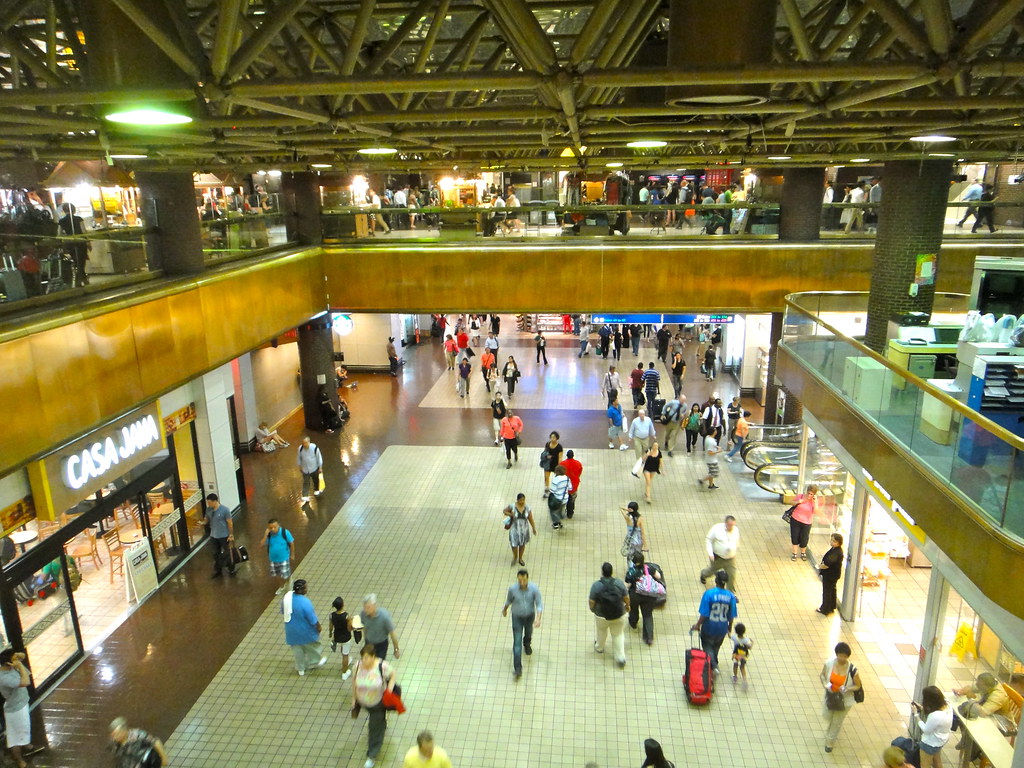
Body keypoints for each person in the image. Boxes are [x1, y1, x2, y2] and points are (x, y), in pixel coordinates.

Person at [351, 644, 398, 768]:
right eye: (362, 658)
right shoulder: (357, 666)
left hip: (378, 703)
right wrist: (354, 699)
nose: (364, 660)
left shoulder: (382, 666)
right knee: (378, 722)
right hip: (363, 702)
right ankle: (382, 722)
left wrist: (388, 691)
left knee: (373, 729)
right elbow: (354, 682)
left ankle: (372, 755)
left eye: (366, 658)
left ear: (373, 657)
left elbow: (393, 674)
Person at [0, 650, 42, 768]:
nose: (18, 660)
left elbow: (22, 656)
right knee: (15, 738)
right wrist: (19, 666)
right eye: (15, 659)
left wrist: (18, 657)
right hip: (15, 710)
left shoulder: (11, 667)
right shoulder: (3, 677)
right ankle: (20, 761)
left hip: (22, 704)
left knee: (24, 729)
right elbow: (25, 681)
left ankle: (27, 746)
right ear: (9, 663)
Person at [819, 641, 862, 752]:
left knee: (837, 721)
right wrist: (826, 685)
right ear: (836, 654)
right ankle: (831, 730)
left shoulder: (852, 670)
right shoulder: (829, 664)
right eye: (840, 655)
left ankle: (830, 742)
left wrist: (847, 688)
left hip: (845, 700)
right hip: (831, 696)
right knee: (827, 716)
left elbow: (857, 685)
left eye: (845, 656)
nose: (842, 658)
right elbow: (822, 675)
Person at [690, 569, 737, 672]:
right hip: (722, 628)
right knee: (716, 646)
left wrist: (698, 625)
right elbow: (731, 615)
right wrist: (729, 628)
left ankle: (713, 665)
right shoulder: (731, 596)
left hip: (709, 627)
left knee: (707, 646)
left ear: (716, 580)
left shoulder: (709, 594)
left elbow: (704, 614)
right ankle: (713, 663)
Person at [502, 568, 543, 679]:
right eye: (520, 580)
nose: (522, 582)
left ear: (527, 579)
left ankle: (527, 643)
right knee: (517, 642)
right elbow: (509, 600)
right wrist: (505, 609)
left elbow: (539, 604)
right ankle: (518, 668)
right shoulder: (513, 589)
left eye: (524, 580)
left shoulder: (534, 589)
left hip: (529, 616)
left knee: (528, 632)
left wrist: (538, 618)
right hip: (517, 617)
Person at [589, 562, 629, 669]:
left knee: (601, 631)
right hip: (618, 614)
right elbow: (626, 597)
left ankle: (599, 647)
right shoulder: (619, 583)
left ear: (602, 572)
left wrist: (593, 609)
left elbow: (591, 601)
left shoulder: (596, 585)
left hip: (601, 615)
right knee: (618, 634)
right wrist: (627, 607)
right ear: (612, 572)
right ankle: (620, 658)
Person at [282, 579, 326, 676]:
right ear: (301, 590)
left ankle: (300, 669)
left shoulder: (287, 598)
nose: (307, 589)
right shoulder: (305, 602)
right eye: (306, 588)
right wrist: (318, 627)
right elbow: (312, 618)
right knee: (313, 647)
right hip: (305, 631)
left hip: (291, 631)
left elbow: (283, 611)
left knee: (297, 650)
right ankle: (314, 662)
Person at [912, 685, 952, 768]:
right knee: (937, 762)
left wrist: (916, 715)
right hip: (941, 740)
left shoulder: (935, 716)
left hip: (929, 743)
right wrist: (922, 708)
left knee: (925, 765)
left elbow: (926, 729)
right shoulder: (947, 704)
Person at [625, 552, 659, 646]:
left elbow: (627, 585)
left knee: (633, 610)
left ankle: (633, 623)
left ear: (634, 561)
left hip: (635, 595)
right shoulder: (649, 568)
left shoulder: (631, 571)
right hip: (649, 595)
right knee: (647, 615)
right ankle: (649, 638)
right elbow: (658, 576)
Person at [699, 515, 740, 594]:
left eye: (733, 525)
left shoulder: (736, 530)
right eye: (730, 525)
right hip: (718, 558)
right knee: (711, 571)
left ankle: (730, 594)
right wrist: (710, 553)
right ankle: (703, 574)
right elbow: (709, 540)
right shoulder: (717, 529)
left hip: (731, 559)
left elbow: (736, 541)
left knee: (732, 575)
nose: (732, 527)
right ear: (726, 523)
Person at [204, 493, 236, 577]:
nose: (209, 504)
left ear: (215, 501)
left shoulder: (225, 510)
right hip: (213, 535)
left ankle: (231, 569)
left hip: (224, 536)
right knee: (215, 554)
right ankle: (218, 570)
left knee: (228, 553)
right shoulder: (208, 510)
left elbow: (230, 523)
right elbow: (206, 520)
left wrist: (231, 534)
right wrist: (202, 523)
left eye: (210, 502)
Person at [360, 594, 401, 660]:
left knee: (379, 663)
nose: (365, 610)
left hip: (381, 645)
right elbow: (364, 627)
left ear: (374, 605)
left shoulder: (384, 616)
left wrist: (396, 649)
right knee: (368, 662)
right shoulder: (363, 614)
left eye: (368, 607)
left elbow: (392, 633)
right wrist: (365, 639)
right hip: (369, 643)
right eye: (364, 607)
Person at [58, 202, 89, 287]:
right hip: (81, 242)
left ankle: (81, 279)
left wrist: (66, 236)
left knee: (75, 261)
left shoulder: (61, 221)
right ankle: (82, 278)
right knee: (81, 261)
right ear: (74, 210)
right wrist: (88, 241)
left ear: (64, 211)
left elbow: (59, 234)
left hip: (70, 243)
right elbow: (84, 231)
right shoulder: (79, 219)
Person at [261, 517, 294, 595]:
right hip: (273, 559)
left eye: (275, 527)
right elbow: (261, 544)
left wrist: (292, 554)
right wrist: (265, 535)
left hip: (284, 557)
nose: (273, 529)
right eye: (271, 528)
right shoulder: (269, 535)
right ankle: (282, 586)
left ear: (278, 525)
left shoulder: (285, 532)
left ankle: (289, 581)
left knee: (285, 574)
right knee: (277, 575)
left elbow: (291, 543)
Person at [504, 493, 537, 567]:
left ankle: (520, 558)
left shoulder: (527, 508)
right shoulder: (512, 506)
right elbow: (505, 511)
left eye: (523, 500)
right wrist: (511, 514)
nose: (522, 502)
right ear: (517, 500)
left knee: (522, 544)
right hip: (514, 529)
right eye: (521, 500)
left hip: (524, 530)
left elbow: (530, 519)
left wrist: (533, 528)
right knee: (514, 544)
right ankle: (515, 556)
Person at [790, 484, 820, 561]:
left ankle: (803, 552)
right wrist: (798, 502)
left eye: (811, 494)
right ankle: (794, 552)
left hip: (807, 522)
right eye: (808, 493)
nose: (809, 495)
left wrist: (815, 502)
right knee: (795, 536)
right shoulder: (800, 496)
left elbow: (815, 512)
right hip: (795, 519)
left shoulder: (814, 501)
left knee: (804, 538)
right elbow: (792, 502)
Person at [817, 532, 844, 615]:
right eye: (831, 540)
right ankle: (832, 606)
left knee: (827, 591)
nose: (831, 542)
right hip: (834, 574)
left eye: (834, 541)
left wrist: (819, 566)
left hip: (830, 575)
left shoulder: (836, 552)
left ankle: (825, 609)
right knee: (832, 590)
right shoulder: (835, 550)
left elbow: (827, 564)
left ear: (839, 543)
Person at [330, 596, 354, 680]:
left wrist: (330, 634)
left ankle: (346, 662)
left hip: (337, 636)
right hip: (346, 637)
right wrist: (351, 621)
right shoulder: (346, 616)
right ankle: (344, 673)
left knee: (343, 649)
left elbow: (331, 626)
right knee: (345, 655)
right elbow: (349, 628)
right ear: (342, 605)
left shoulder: (332, 615)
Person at [297, 437, 324, 502]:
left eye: (306, 443)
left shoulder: (314, 448)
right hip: (305, 469)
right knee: (306, 482)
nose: (304, 444)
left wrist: (320, 467)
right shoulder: (300, 448)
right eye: (303, 443)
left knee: (316, 480)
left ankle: (316, 489)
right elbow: (299, 458)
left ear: (309, 442)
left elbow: (319, 457)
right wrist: (300, 466)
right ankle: (305, 495)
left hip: (314, 468)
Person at [559, 449, 583, 519]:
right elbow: (579, 473)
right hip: (574, 484)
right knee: (572, 499)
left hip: (564, 484)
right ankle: (570, 513)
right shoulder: (578, 463)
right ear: (573, 455)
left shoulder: (562, 464)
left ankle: (561, 513)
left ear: (567, 455)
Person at [540, 431, 564, 496]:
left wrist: (559, 466)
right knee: (546, 477)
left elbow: (560, 457)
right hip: (548, 464)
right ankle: (547, 489)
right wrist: (546, 456)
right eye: (551, 437)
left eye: (554, 437)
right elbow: (545, 452)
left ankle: (557, 489)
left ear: (557, 438)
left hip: (555, 464)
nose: (552, 439)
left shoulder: (559, 447)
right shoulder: (548, 444)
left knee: (557, 478)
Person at [547, 465, 571, 529]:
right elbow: (570, 488)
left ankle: (556, 524)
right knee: (561, 509)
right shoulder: (567, 478)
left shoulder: (556, 479)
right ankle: (560, 518)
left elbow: (552, 490)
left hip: (557, 499)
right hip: (565, 499)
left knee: (553, 511)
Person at [731, 622, 753, 687]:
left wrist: (728, 631)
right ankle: (744, 680)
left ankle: (735, 677)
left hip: (736, 655)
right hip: (743, 656)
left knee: (735, 665)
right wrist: (752, 642)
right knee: (742, 667)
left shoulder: (734, 637)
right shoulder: (746, 640)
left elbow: (729, 636)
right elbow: (749, 647)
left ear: (736, 631)